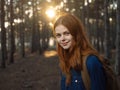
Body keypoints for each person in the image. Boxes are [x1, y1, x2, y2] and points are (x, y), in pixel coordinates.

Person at [53, 13, 106, 90]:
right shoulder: (64, 62)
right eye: (58, 35)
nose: (62, 39)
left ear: (77, 34)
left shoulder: (91, 62)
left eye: (67, 33)